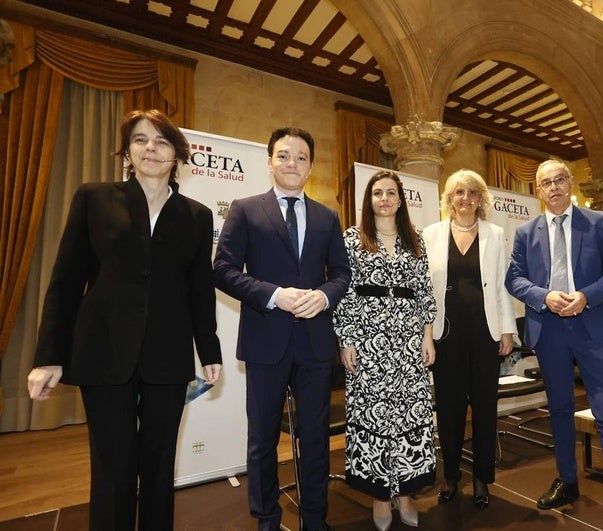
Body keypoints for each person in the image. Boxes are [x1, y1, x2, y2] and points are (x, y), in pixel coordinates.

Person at [27, 109, 223, 531]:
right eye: (140, 139)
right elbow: (65, 281)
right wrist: (49, 357)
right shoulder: (94, 198)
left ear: (177, 154)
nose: (150, 148)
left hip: (167, 356)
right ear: (127, 151)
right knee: (113, 468)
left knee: (158, 467)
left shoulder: (196, 214)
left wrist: (209, 350)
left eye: (161, 141)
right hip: (102, 351)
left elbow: (199, 291)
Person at [213, 127, 350, 531]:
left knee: (314, 439)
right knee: (262, 441)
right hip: (265, 339)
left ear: (311, 166)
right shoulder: (244, 208)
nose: (293, 163)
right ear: (270, 160)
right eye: (284, 156)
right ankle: (267, 519)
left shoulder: (327, 216)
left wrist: (324, 297)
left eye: (301, 157)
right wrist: (274, 295)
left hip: (314, 345)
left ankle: (314, 519)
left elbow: (341, 274)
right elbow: (222, 269)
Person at [505, 159, 603, 531]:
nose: (553, 187)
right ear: (538, 190)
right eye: (545, 183)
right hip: (549, 330)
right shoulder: (525, 232)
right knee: (559, 410)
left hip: (591, 327)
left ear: (570, 184)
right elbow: (514, 279)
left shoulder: (597, 222)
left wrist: (586, 295)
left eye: (559, 180)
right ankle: (567, 482)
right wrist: (543, 295)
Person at [333, 170, 436, 531]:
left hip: (409, 342)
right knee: (373, 418)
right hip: (368, 342)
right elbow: (343, 293)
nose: (384, 199)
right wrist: (346, 339)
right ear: (369, 199)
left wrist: (426, 335)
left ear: (401, 199)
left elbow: (424, 291)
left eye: (391, 192)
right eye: (377, 193)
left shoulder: (416, 240)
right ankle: (380, 499)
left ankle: (405, 494)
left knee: (409, 418)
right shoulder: (351, 239)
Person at [422, 169, 516, 510]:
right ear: (449, 198)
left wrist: (508, 328)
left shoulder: (495, 233)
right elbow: (424, 292)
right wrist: (425, 334)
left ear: (481, 199)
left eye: (473, 192)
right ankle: (451, 478)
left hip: (485, 332)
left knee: (485, 409)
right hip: (446, 334)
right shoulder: (430, 234)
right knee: (448, 409)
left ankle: (481, 478)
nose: (466, 198)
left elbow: (503, 285)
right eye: (459, 192)